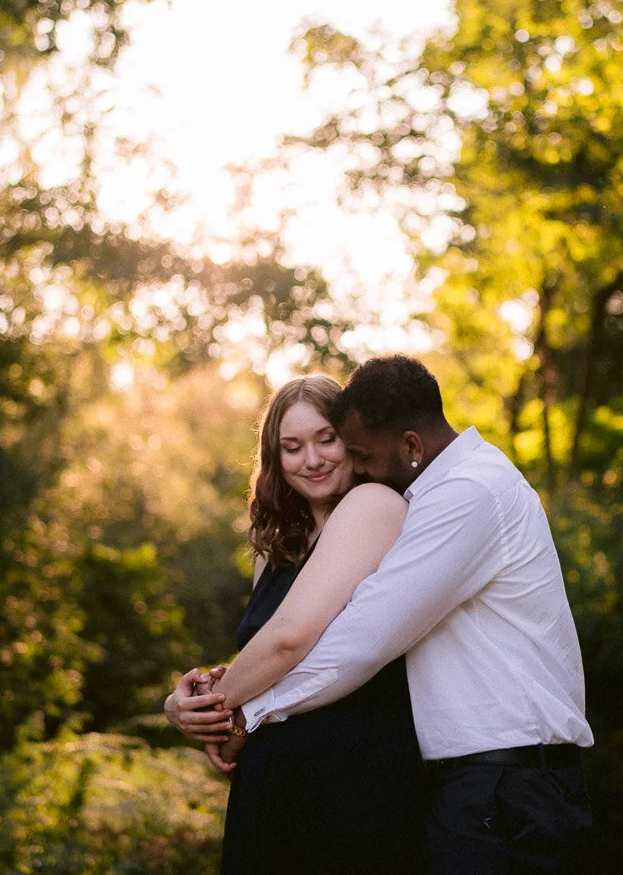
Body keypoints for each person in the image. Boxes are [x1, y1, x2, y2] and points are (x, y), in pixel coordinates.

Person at [204, 355, 594, 874]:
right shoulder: (442, 494)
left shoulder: (465, 494)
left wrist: (232, 709)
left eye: (351, 450)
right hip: (479, 785)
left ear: (409, 444)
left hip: (505, 783)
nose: (356, 467)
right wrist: (220, 699)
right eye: (292, 446)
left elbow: (354, 643)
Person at [163, 373, 425, 874]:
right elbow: (263, 657)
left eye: (326, 439)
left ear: (352, 439)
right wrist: (183, 705)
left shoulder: (374, 506)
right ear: (275, 460)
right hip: (272, 774)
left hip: (348, 777)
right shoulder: (278, 547)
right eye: (292, 447)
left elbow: (289, 641)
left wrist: (221, 715)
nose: (312, 459)